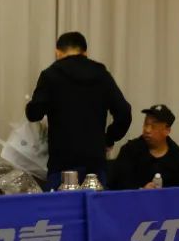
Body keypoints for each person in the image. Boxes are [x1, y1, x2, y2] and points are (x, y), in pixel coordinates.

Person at [25, 32, 132, 190]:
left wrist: (31, 105)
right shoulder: (101, 74)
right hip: (95, 163)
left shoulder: (51, 75)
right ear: (85, 52)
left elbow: (34, 113)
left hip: (62, 163)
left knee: (61, 206)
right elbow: (124, 112)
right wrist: (108, 139)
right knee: (95, 205)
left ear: (58, 52)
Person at [106, 104, 179, 189]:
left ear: (167, 130)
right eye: (146, 124)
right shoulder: (129, 151)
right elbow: (116, 185)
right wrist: (141, 191)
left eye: (153, 126)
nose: (147, 130)